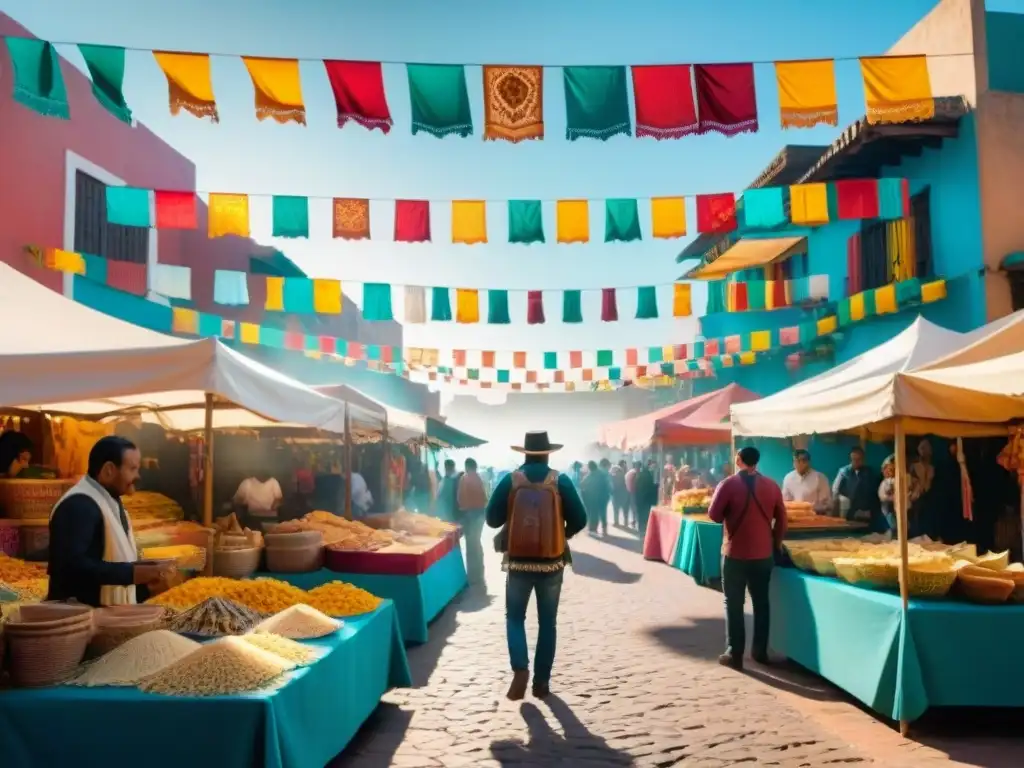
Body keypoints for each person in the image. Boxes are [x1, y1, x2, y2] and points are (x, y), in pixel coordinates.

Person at [486, 431, 587, 700]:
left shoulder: (511, 480)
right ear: (548, 453)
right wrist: (560, 533)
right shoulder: (559, 480)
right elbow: (581, 518)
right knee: (548, 623)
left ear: (525, 453)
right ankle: (541, 683)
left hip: (518, 562)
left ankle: (520, 667)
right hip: (552, 563)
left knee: (515, 617)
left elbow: (492, 519)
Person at [47, 435, 175, 606]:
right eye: (132, 469)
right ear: (109, 470)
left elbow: (108, 564)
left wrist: (147, 584)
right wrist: (134, 573)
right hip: (77, 621)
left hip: (108, 619)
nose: (138, 476)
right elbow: (71, 567)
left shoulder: (111, 500)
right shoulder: (78, 505)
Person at [708, 446, 787, 670]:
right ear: (756, 462)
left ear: (739, 459)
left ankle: (735, 653)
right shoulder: (772, 485)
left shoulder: (728, 484)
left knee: (734, 604)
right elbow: (782, 520)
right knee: (762, 603)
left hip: (735, 553)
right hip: (763, 555)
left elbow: (714, 515)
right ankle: (760, 651)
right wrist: (776, 545)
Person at [832, 447, 883, 531]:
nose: (855, 462)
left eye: (858, 459)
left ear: (863, 460)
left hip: (867, 511)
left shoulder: (870, 473)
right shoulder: (844, 472)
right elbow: (835, 490)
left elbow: (875, 492)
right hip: (850, 510)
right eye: (853, 459)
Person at [456, 457, 488, 586]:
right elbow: (486, 497)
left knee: (470, 543)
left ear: (467, 466)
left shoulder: (464, 478)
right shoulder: (480, 478)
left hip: (469, 514)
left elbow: (460, 497)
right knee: (476, 542)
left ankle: (472, 574)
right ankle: (479, 571)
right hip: (480, 513)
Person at [782, 449, 832, 514]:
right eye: (797, 461)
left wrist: (809, 508)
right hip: (795, 517)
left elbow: (827, 505)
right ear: (793, 463)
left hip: (815, 518)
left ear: (808, 462)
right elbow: (786, 502)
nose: (800, 464)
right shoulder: (788, 478)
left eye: (803, 460)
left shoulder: (820, 478)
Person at [581, 460, 609, 536]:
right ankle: (604, 529)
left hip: (594, 498)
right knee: (603, 513)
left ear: (590, 467)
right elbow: (608, 485)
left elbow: (582, 484)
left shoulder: (590, 475)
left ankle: (593, 529)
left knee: (594, 514)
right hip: (603, 497)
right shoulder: (602, 474)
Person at [635, 459, 658, 535]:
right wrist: (656, 487)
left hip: (640, 498)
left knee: (641, 515)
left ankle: (641, 530)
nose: (654, 467)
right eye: (653, 465)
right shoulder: (647, 475)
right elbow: (649, 487)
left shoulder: (643, 474)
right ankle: (643, 530)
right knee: (644, 515)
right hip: (645, 499)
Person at [610, 459, 629, 527]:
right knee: (623, 508)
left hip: (618, 493)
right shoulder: (621, 471)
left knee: (617, 508)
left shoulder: (615, 472)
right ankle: (624, 523)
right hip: (621, 492)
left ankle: (617, 522)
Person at [624, 461, 640, 528]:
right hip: (633, 492)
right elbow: (636, 483)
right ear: (638, 467)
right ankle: (634, 521)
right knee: (635, 508)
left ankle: (630, 521)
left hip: (628, 491)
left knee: (631, 508)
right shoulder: (635, 473)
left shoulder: (629, 472)